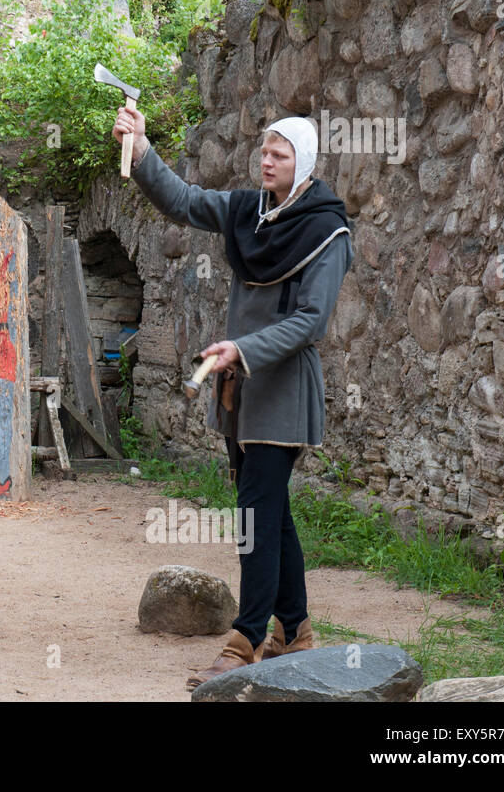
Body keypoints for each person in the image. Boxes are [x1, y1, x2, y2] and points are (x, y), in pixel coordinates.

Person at [111, 105, 353, 692]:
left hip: (282, 394)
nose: (266, 160)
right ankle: (293, 633)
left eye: (280, 154)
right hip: (240, 393)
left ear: (305, 165)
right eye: (264, 151)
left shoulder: (327, 231)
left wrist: (242, 350)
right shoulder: (251, 210)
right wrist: (142, 150)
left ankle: (245, 639)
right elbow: (186, 201)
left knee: (254, 516)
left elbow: (311, 321)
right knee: (272, 517)